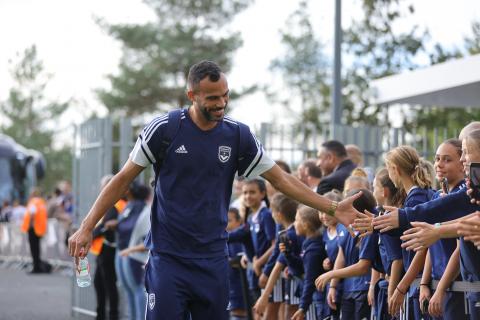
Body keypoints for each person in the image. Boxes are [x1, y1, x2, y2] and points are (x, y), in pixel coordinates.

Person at [68, 60, 361, 320]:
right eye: (212, 98)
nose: (221, 103)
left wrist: (332, 207)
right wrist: (86, 227)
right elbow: (121, 179)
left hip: (213, 261)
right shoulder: (165, 129)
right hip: (169, 260)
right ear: (192, 96)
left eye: (225, 95)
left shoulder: (238, 136)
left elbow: (281, 179)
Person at [315, 189, 378, 320]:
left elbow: (364, 266)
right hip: (348, 289)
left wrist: (331, 274)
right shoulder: (342, 226)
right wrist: (333, 285)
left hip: (364, 288)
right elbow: (341, 256)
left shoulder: (369, 228)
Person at [91, 175, 125, 320]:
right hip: (104, 250)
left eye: (104, 187)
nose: (102, 190)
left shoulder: (114, 204)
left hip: (109, 250)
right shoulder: (114, 204)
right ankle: (101, 315)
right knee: (100, 283)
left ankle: (112, 316)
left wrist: (87, 234)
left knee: (108, 285)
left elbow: (104, 227)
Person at [114, 181, 150, 320]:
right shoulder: (128, 205)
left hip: (135, 254)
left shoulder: (140, 207)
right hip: (123, 251)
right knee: (128, 289)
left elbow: (133, 228)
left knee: (138, 289)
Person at [290, 206, 328, 320]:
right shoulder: (309, 243)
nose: (294, 224)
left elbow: (309, 279)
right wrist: (288, 255)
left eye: (296, 220)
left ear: (305, 225)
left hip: (318, 298)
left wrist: (302, 307)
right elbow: (302, 267)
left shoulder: (313, 250)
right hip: (315, 297)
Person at [21, 188, 51, 273]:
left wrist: (30, 225)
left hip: (33, 229)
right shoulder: (41, 202)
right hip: (39, 229)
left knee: (34, 249)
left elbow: (32, 214)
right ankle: (37, 266)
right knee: (37, 249)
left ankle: (36, 267)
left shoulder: (33, 202)